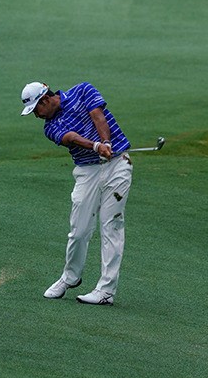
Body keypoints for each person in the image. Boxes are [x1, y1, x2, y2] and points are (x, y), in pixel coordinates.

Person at [20, 80, 132, 306]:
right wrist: (96, 147)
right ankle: (70, 277)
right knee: (79, 230)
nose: (37, 116)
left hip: (117, 165)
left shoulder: (83, 90)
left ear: (45, 99)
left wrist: (106, 142)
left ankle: (106, 291)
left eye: (36, 110)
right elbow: (71, 137)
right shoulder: (50, 128)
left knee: (111, 226)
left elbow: (98, 116)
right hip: (87, 171)